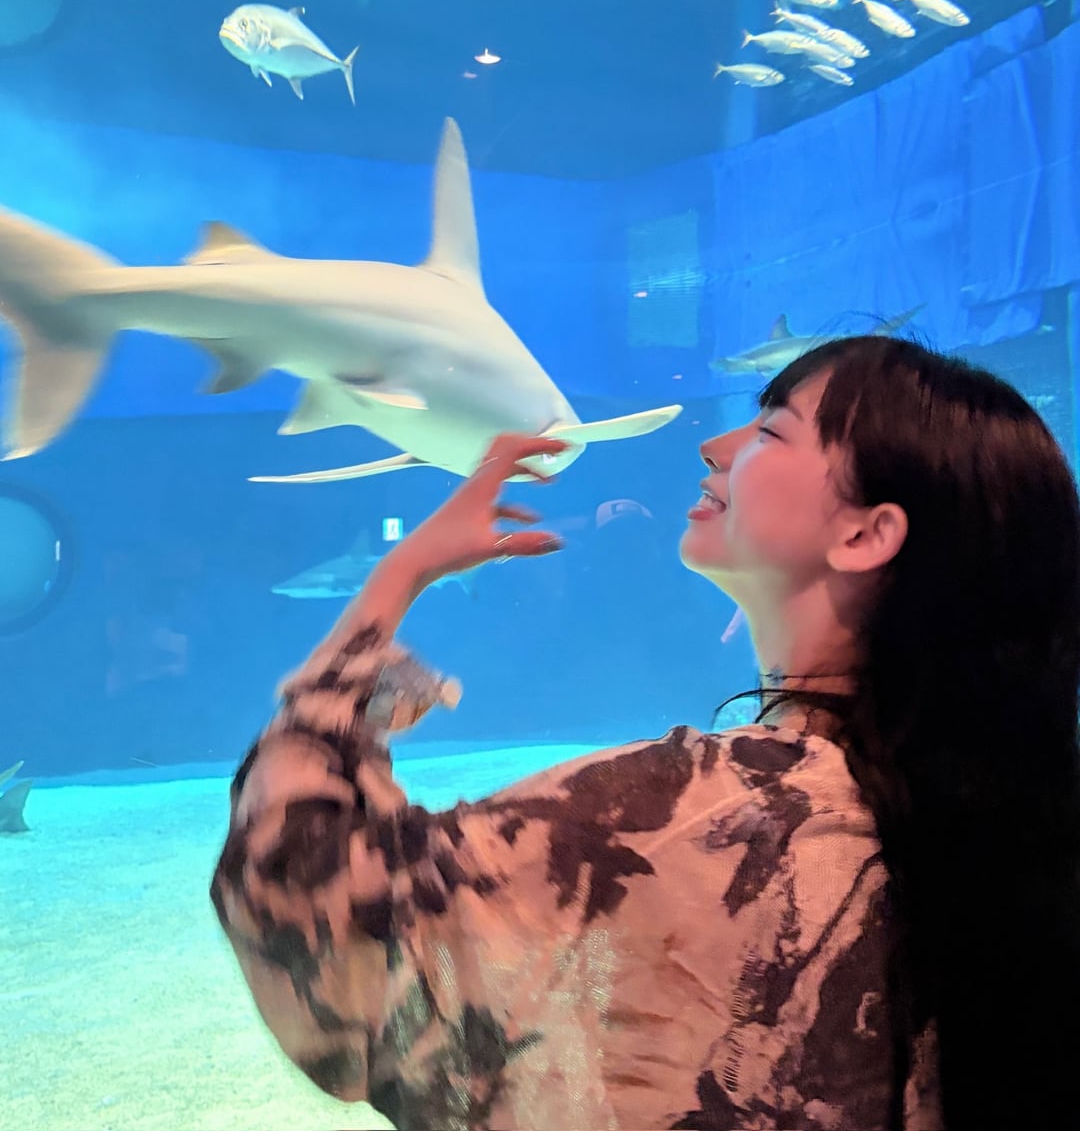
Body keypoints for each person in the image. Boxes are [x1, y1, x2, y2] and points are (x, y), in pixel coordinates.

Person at [210, 335, 1080, 1131]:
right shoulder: (1004, 825)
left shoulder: (689, 816)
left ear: (864, 534)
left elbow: (318, 931)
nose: (715, 447)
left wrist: (395, 578)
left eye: (770, 431)